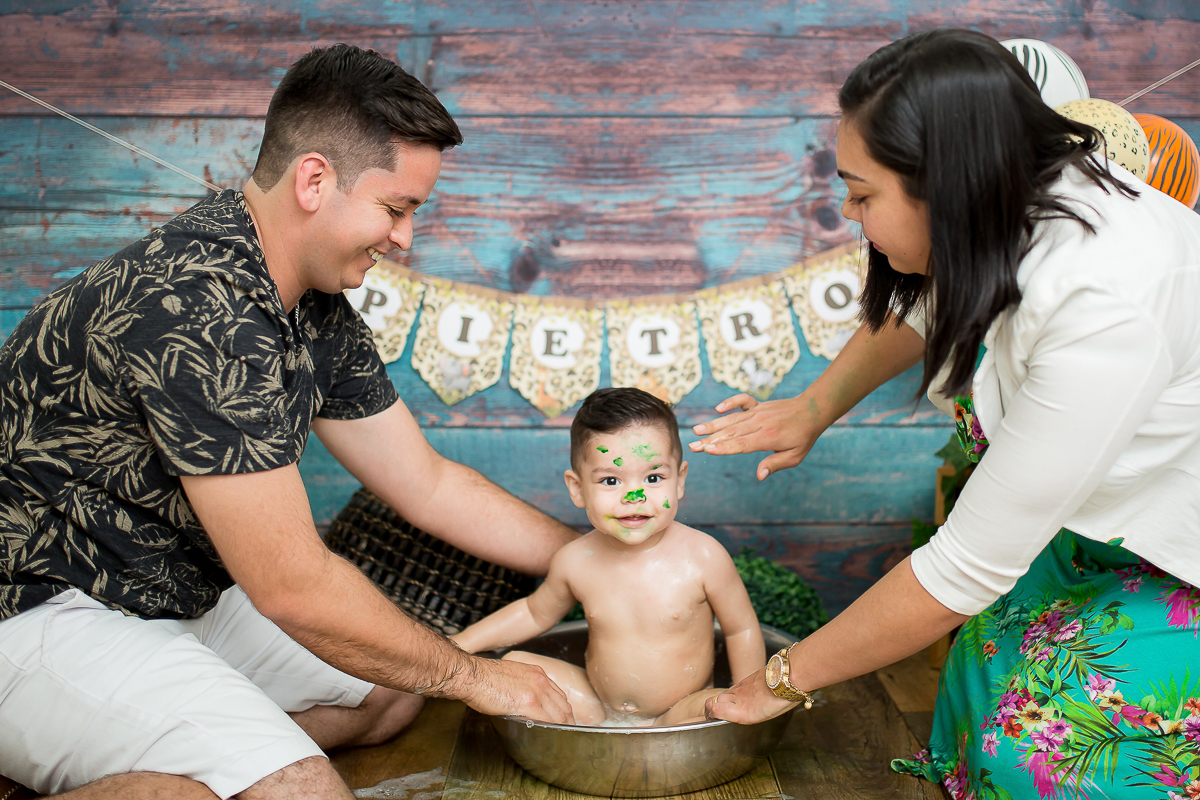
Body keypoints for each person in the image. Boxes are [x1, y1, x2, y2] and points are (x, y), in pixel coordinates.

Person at [0, 44, 578, 800]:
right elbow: (293, 588)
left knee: (389, 691)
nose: (404, 237)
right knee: (301, 789)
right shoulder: (197, 308)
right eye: (396, 208)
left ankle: (180, 762)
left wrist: (591, 560)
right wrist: (475, 678)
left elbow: (428, 483)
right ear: (314, 179)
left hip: (175, 594)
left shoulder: (315, 305)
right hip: (43, 611)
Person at [690, 28, 1200, 800]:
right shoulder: (1016, 196)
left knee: (1037, 761)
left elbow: (962, 569)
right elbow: (930, 301)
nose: (846, 210)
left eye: (862, 194)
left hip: (1175, 556)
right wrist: (812, 407)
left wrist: (776, 683)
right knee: (973, 695)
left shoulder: (1105, 307)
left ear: (947, 188)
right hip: (1085, 535)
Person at [451, 387, 766, 727]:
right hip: (597, 708)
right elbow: (533, 612)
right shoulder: (575, 560)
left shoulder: (704, 557)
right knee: (512, 664)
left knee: (719, 704)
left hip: (681, 712)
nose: (634, 496)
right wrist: (459, 645)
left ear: (679, 481)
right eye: (611, 479)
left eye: (654, 477)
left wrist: (749, 694)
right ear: (577, 488)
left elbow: (740, 630)